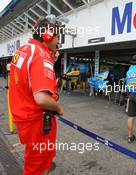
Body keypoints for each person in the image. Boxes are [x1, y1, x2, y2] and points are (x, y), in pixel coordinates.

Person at [9, 16, 64, 175]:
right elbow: (41, 98)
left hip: (24, 117)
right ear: (47, 35)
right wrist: (58, 108)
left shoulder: (23, 50)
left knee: (37, 160)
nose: (59, 41)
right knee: (36, 167)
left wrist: (50, 61)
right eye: (57, 36)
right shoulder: (40, 56)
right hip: (38, 123)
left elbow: (27, 80)